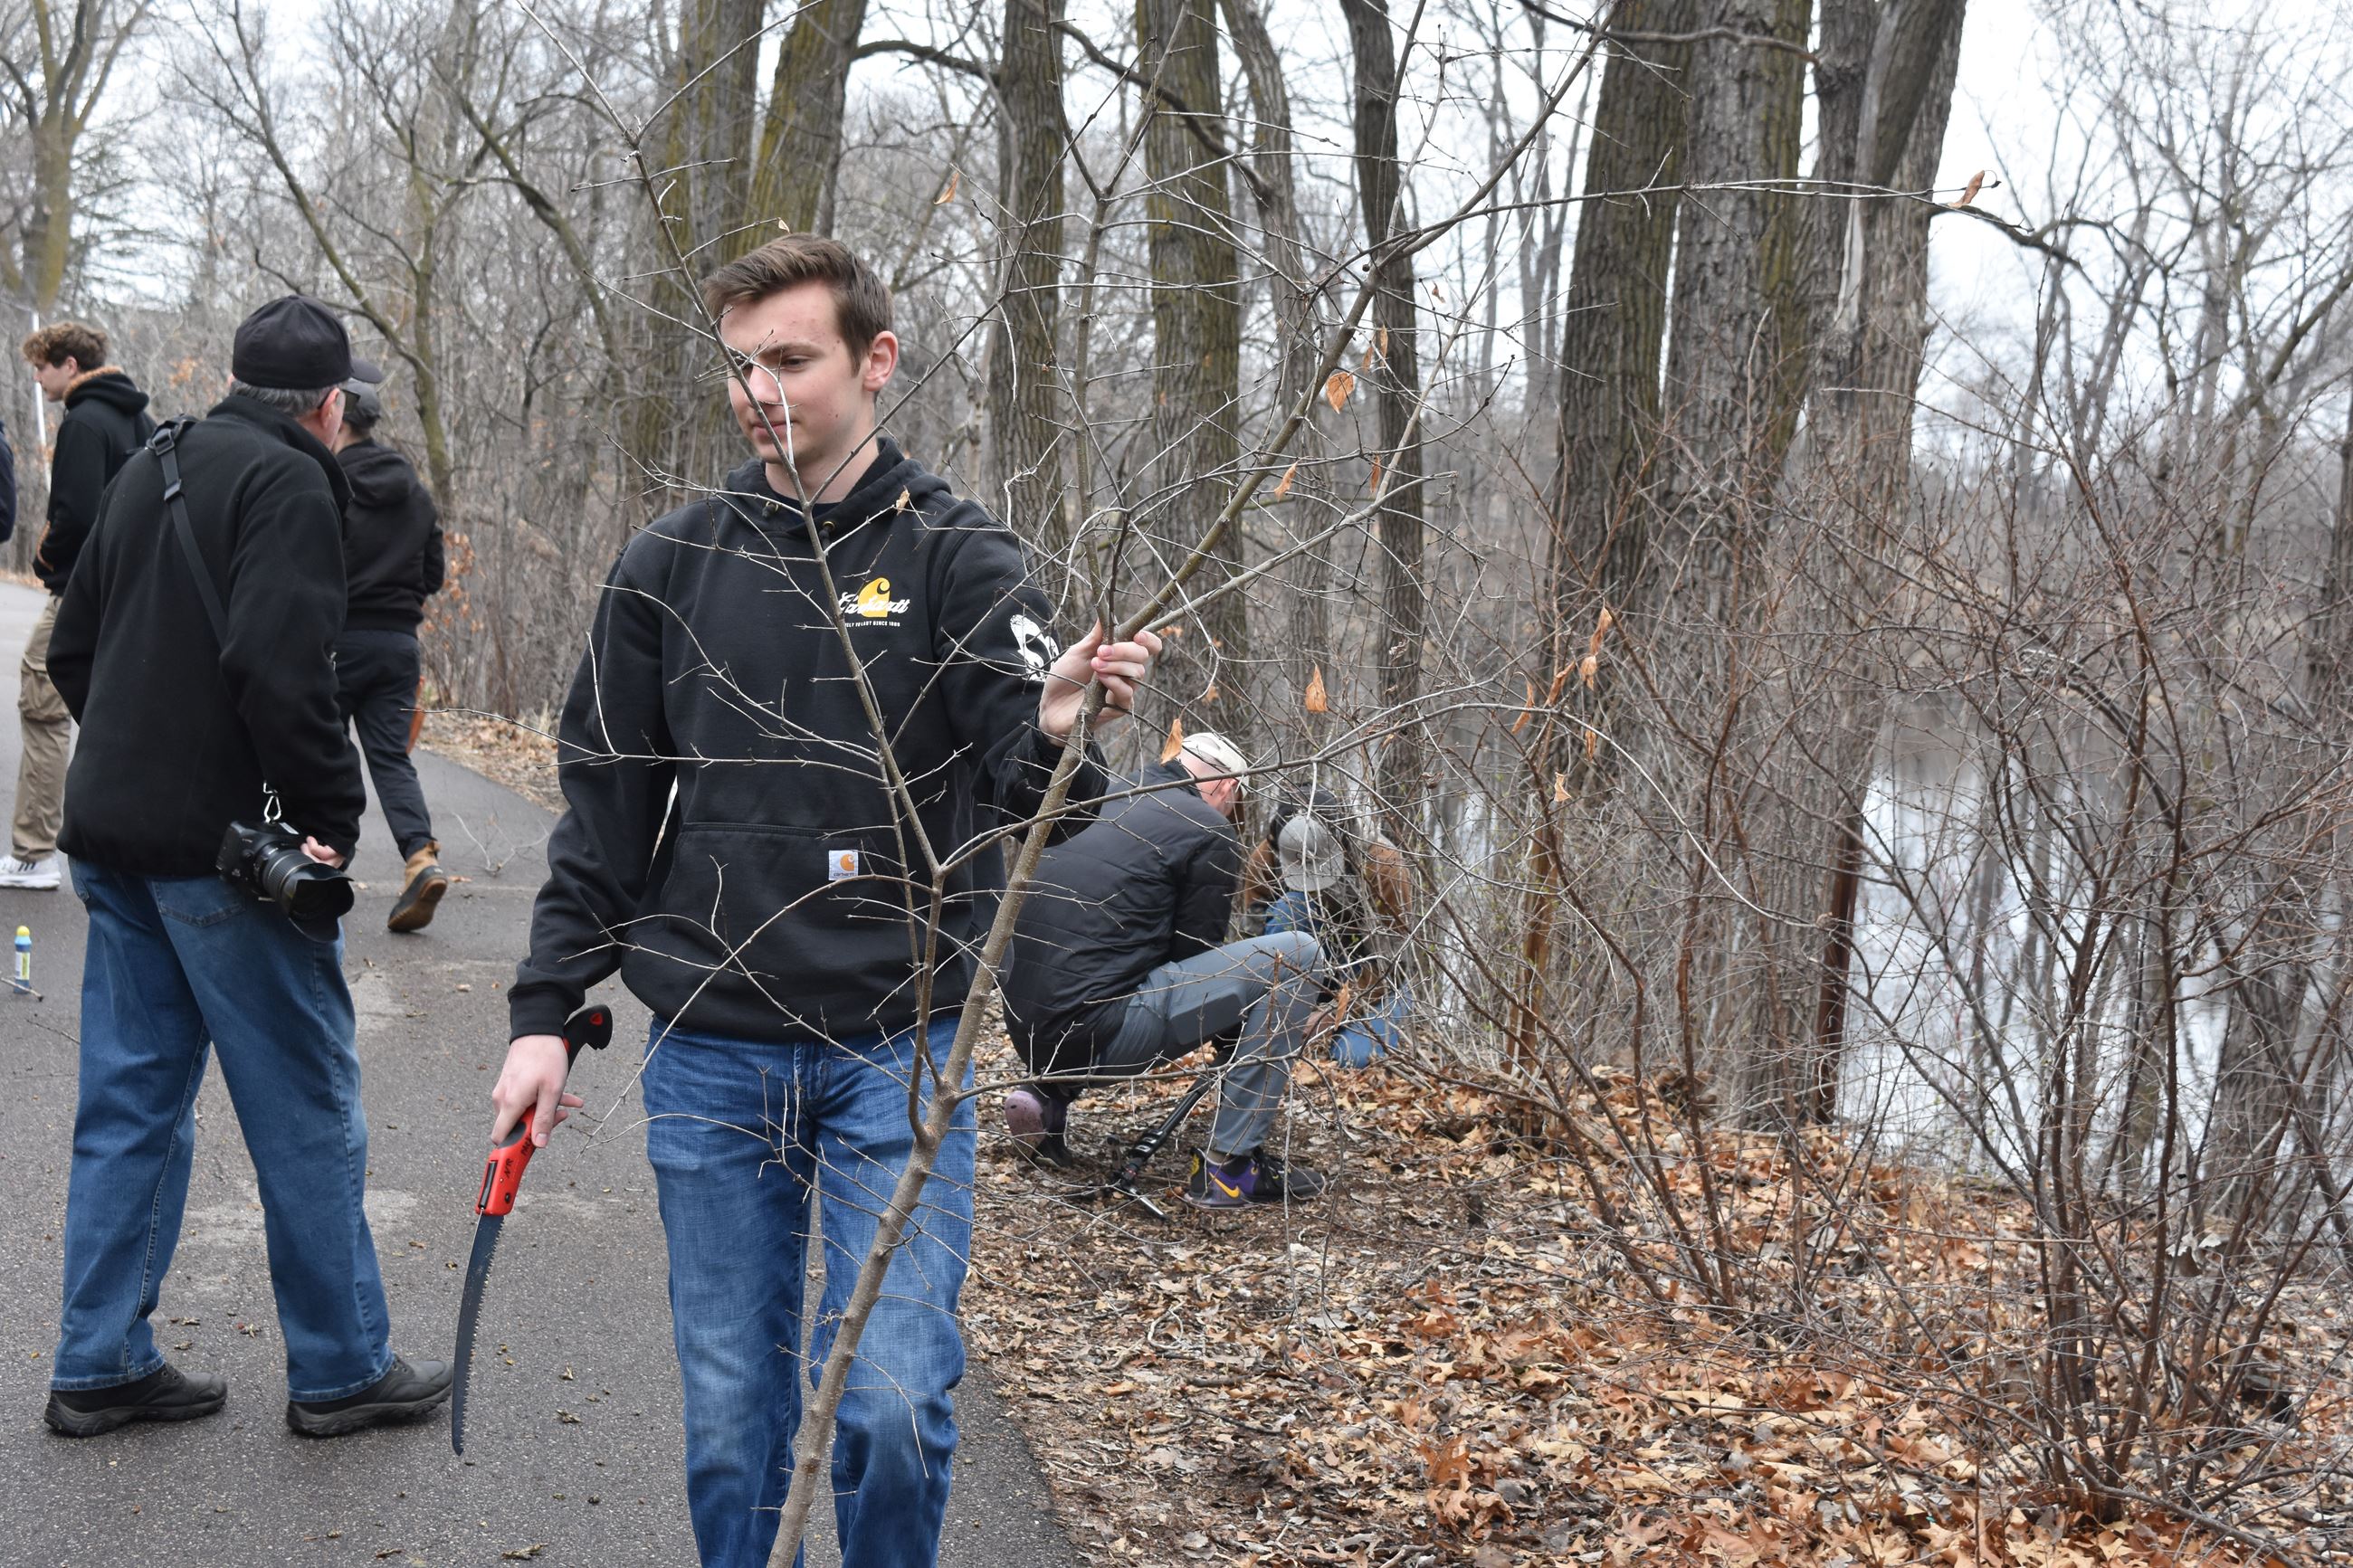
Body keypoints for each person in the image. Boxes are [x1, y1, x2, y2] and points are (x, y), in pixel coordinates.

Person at [488, 234, 1159, 1568]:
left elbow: (1049, 813)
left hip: (896, 1054)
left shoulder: (960, 560)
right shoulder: (669, 566)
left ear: (876, 360)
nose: (760, 390)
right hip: (711, 1056)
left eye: (791, 359)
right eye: (741, 364)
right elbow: (605, 819)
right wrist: (544, 1014)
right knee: (737, 1428)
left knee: (894, 1408)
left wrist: (1058, 731)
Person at [40, 297, 451, 1440]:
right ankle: (342, 1367)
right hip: (222, 860)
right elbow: (282, 667)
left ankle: (100, 1358)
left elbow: (73, 645)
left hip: (112, 841)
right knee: (308, 1106)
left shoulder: (151, 461)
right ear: (328, 405)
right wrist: (325, 816)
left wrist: (134, 757)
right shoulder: (293, 484)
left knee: (130, 1105)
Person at [1000, 731, 1330, 1207]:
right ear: (1227, 786)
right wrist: (1239, 1030)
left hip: (1028, 1028)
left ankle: (1047, 1097)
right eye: (1235, 801)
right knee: (1297, 954)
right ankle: (1232, 1168)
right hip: (1100, 1032)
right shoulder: (1207, 830)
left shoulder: (1100, 793)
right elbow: (1192, 957)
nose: (1233, 813)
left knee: (1096, 968)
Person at [4, 322, 153, 891]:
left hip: (82, 592)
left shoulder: (84, 422)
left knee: (42, 706)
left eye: (41, 366)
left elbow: (75, 516)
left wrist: (46, 562)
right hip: (133, 591)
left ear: (69, 364)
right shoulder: (137, 418)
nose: (37, 378)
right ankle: (130, 841)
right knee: (120, 711)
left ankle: (32, 853)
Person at [329, 377, 450, 931]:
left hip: (337, 640)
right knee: (390, 758)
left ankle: (325, 861)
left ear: (339, 419)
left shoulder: (330, 485)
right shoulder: (416, 492)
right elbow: (433, 575)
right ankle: (420, 858)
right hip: (400, 644)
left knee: (322, 748)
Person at [1245, 784, 1415, 1066]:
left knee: (1352, 1058)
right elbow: (1250, 938)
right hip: (1307, 967)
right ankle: (1281, 1011)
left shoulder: (1382, 864)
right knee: (1290, 907)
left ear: (1342, 844)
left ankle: (1334, 1031)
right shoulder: (1268, 855)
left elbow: (1393, 964)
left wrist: (1333, 1013)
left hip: (1369, 975)